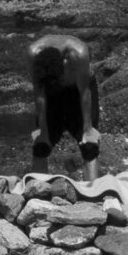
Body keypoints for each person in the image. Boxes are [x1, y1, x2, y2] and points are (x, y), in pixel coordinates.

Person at [28, 31, 100, 180]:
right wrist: (43, 131)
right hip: (51, 92)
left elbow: (85, 92)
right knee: (41, 145)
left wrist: (87, 129)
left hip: (78, 91)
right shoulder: (33, 53)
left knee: (89, 146)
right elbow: (39, 94)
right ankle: (37, 193)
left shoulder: (78, 53)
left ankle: (93, 196)